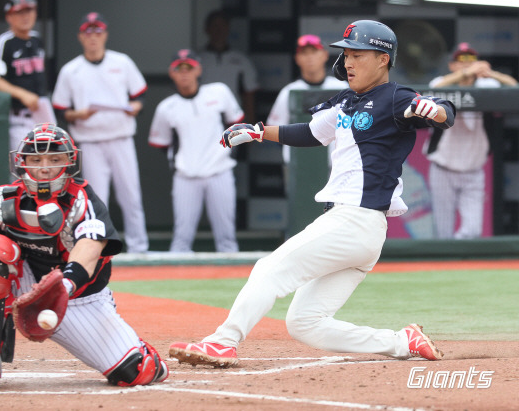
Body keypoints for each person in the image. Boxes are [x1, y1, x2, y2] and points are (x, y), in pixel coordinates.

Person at [168, 20, 456, 367]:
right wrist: (259, 132)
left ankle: (223, 341)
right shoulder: (348, 101)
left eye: (358, 54)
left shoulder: (396, 98)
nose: (348, 62)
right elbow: (310, 132)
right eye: (346, 54)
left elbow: (445, 112)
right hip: (359, 230)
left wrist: (434, 110)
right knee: (305, 324)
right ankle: (400, 342)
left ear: (383, 59)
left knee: (269, 269)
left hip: (356, 219)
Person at [0, 123, 167, 390]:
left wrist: (60, 290)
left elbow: (88, 251)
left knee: (134, 372)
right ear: (22, 163)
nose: (44, 167)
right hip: (27, 281)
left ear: (69, 162)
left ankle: (144, 356)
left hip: (79, 296)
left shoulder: (82, 200)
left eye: (54, 159)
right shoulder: (3, 201)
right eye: (36, 159)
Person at [52, 12, 149, 253]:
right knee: (97, 199)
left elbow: (140, 96)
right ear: (80, 37)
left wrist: (134, 108)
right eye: (88, 32)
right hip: (90, 140)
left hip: (121, 137)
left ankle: (139, 249)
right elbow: (61, 109)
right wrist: (79, 114)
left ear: (105, 34)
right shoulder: (70, 70)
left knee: (131, 197)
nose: (93, 37)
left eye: (97, 32)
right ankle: (98, 248)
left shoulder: (122, 62)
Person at [148, 50, 244, 253]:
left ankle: (233, 283)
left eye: (189, 68)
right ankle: (174, 284)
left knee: (227, 239)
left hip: (220, 171)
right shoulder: (166, 107)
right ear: (171, 73)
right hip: (186, 176)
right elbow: (161, 144)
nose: (184, 73)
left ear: (198, 70)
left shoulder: (219, 92)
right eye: (179, 69)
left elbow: (236, 125)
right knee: (181, 239)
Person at [425, 42, 517, 239]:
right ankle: (445, 267)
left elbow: (514, 87)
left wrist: (490, 73)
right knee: (443, 233)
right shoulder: (444, 82)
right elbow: (431, 89)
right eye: (461, 61)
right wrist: (464, 75)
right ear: (452, 65)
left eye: (471, 61)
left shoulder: (487, 85)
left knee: (473, 231)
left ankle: (459, 260)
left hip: (474, 172)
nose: (467, 65)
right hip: (443, 169)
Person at [0, 0, 49, 151]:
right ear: (9, 16)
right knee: (24, 171)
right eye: (19, 12)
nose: (25, 16)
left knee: (50, 168)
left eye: (29, 10)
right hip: (18, 118)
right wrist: (22, 94)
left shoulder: (37, 40)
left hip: (42, 114)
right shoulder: (4, 41)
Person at [267, 34, 347, 165]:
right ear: (297, 58)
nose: (310, 57)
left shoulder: (341, 88)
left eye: (314, 51)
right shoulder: (288, 92)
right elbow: (275, 131)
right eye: (304, 53)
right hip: (298, 165)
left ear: (324, 55)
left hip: (336, 166)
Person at [199, 10, 259, 122]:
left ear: (228, 28)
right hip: (204, 117)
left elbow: (249, 94)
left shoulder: (242, 60)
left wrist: (250, 124)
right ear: (207, 29)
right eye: (215, 25)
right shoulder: (198, 59)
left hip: (233, 118)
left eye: (223, 25)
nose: (219, 30)